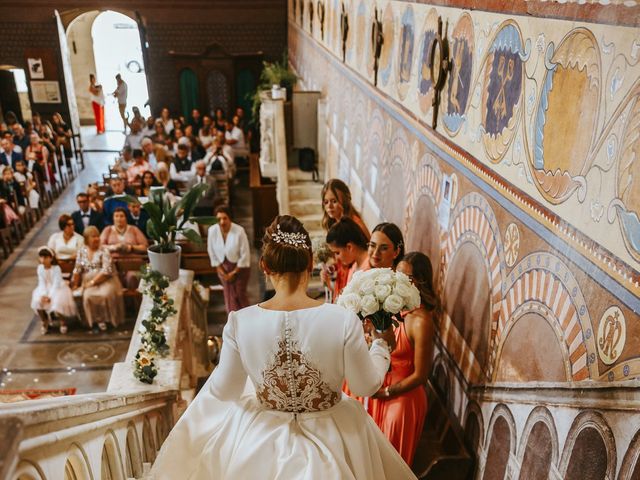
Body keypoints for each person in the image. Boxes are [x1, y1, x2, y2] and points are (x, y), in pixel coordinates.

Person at [151, 215, 415, 480]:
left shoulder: (240, 322)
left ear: (264, 266)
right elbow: (364, 386)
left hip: (259, 441)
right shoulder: (342, 319)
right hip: (335, 436)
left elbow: (225, 390)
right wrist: (381, 346)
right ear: (310, 263)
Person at [369, 252, 436, 465]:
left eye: (405, 277)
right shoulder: (394, 309)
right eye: (396, 275)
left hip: (403, 399)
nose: (398, 282)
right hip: (382, 390)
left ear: (419, 281)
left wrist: (388, 392)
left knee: (391, 464)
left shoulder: (421, 321)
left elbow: (420, 376)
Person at [321, 179, 370, 301]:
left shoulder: (354, 223)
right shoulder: (333, 222)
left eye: (334, 201)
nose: (329, 206)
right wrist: (332, 266)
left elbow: (365, 250)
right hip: (343, 273)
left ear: (345, 200)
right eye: (326, 202)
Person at [72, 226, 125, 331]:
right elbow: (77, 269)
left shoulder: (104, 250)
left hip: (105, 280)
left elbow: (107, 271)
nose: (96, 239)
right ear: (87, 239)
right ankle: (96, 320)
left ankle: (107, 319)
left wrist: (92, 282)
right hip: (87, 281)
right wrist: (75, 284)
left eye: (97, 236)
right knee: (87, 296)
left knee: (105, 294)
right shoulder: (82, 251)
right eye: (93, 237)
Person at [207, 206, 250, 313]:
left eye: (225, 218)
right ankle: (233, 321)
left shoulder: (239, 231)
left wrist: (233, 273)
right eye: (219, 219)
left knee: (239, 294)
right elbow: (211, 252)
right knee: (228, 294)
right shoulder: (212, 231)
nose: (222, 222)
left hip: (240, 268)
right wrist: (222, 272)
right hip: (223, 269)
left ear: (230, 218)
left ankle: (247, 317)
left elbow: (245, 254)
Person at [31, 246, 77, 334]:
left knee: (57, 302)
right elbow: (42, 282)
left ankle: (63, 322)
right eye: (41, 257)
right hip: (45, 288)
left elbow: (56, 283)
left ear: (51, 258)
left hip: (58, 288)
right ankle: (44, 321)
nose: (43, 259)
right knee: (37, 301)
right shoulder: (40, 268)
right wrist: (43, 295)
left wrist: (50, 296)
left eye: (45, 257)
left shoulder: (56, 268)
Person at [100, 207, 148, 289]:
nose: (119, 219)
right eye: (116, 216)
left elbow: (145, 247)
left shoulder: (134, 229)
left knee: (132, 277)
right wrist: (114, 247)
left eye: (121, 216)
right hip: (113, 264)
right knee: (113, 277)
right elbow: (99, 247)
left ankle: (133, 301)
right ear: (113, 218)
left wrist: (131, 247)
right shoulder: (107, 230)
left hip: (132, 264)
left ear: (126, 218)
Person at [326, 217, 370, 297]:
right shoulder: (354, 266)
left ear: (349, 247)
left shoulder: (370, 267)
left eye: (337, 253)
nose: (337, 258)